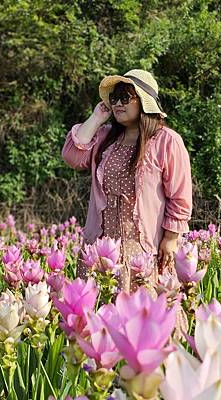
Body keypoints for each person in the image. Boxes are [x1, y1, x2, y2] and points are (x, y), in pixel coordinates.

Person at [61, 69, 193, 292]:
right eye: (114, 98)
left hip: (142, 251)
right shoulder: (104, 136)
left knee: (142, 317)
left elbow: (179, 196)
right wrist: (96, 118)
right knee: (95, 318)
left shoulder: (166, 140)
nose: (118, 103)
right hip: (100, 250)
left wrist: (170, 239)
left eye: (125, 97)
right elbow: (72, 157)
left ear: (144, 101)